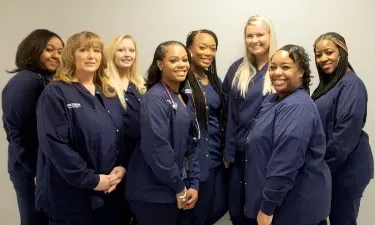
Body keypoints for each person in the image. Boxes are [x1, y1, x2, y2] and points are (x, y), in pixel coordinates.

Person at [36, 31, 127, 225]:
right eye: (84, 50)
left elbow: (120, 135)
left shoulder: (108, 93)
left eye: (96, 50)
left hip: (109, 194)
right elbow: (55, 144)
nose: (91, 56)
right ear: (71, 55)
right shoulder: (56, 93)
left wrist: (121, 168)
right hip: (71, 200)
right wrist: (92, 180)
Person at [244, 44, 331, 225]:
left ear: (300, 72)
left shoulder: (297, 107)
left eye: (285, 67)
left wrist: (267, 208)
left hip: (294, 208)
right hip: (281, 204)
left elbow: (285, 162)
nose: (276, 72)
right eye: (273, 67)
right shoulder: (274, 100)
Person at [126, 41, 201, 225]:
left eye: (185, 60)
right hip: (152, 193)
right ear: (160, 64)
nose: (182, 65)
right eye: (174, 60)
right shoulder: (154, 98)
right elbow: (157, 147)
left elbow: (190, 144)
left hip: (171, 188)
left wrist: (193, 183)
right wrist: (179, 186)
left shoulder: (180, 97)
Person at [2, 29, 64, 225]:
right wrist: (34, 169)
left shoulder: (48, 80)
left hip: (43, 167)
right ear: (33, 50)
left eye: (61, 51)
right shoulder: (26, 81)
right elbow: (16, 131)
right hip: (29, 168)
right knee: (34, 220)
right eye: (49, 49)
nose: (56, 56)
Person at [312, 32, 374, 225]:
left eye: (328, 52)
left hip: (347, 170)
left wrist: (320, 170)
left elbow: (344, 135)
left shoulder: (351, 85)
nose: (323, 59)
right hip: (333, 168)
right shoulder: (331, 85)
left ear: (342, 52)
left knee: (343, 220)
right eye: (318, 54)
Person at [222, 15, 277, 225]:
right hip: (237, 158)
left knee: (262, 213)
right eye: (249, 36)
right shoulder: (237, 70)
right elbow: (227, 113)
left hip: (266, 157)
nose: (254, 40)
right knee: (237, 212)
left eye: (260, 35)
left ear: (270, 36)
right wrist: (228, 151)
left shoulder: (279, 68)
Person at [178, 29, 227, 225]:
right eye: (202, 47)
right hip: (193, 162)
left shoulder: (214, 81)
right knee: (193, 216)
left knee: (216, 208)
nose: (208, 52)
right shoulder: (181, 79)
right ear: (189, 49)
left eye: (213, 48)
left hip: (215, 158)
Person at [106, 34, 146, 224]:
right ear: (112, 53)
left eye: (131, 50)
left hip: (137, 162)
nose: (127, 54)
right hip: (112, 165)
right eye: (121, 50)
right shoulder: (104, 85)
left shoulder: (139, 84)